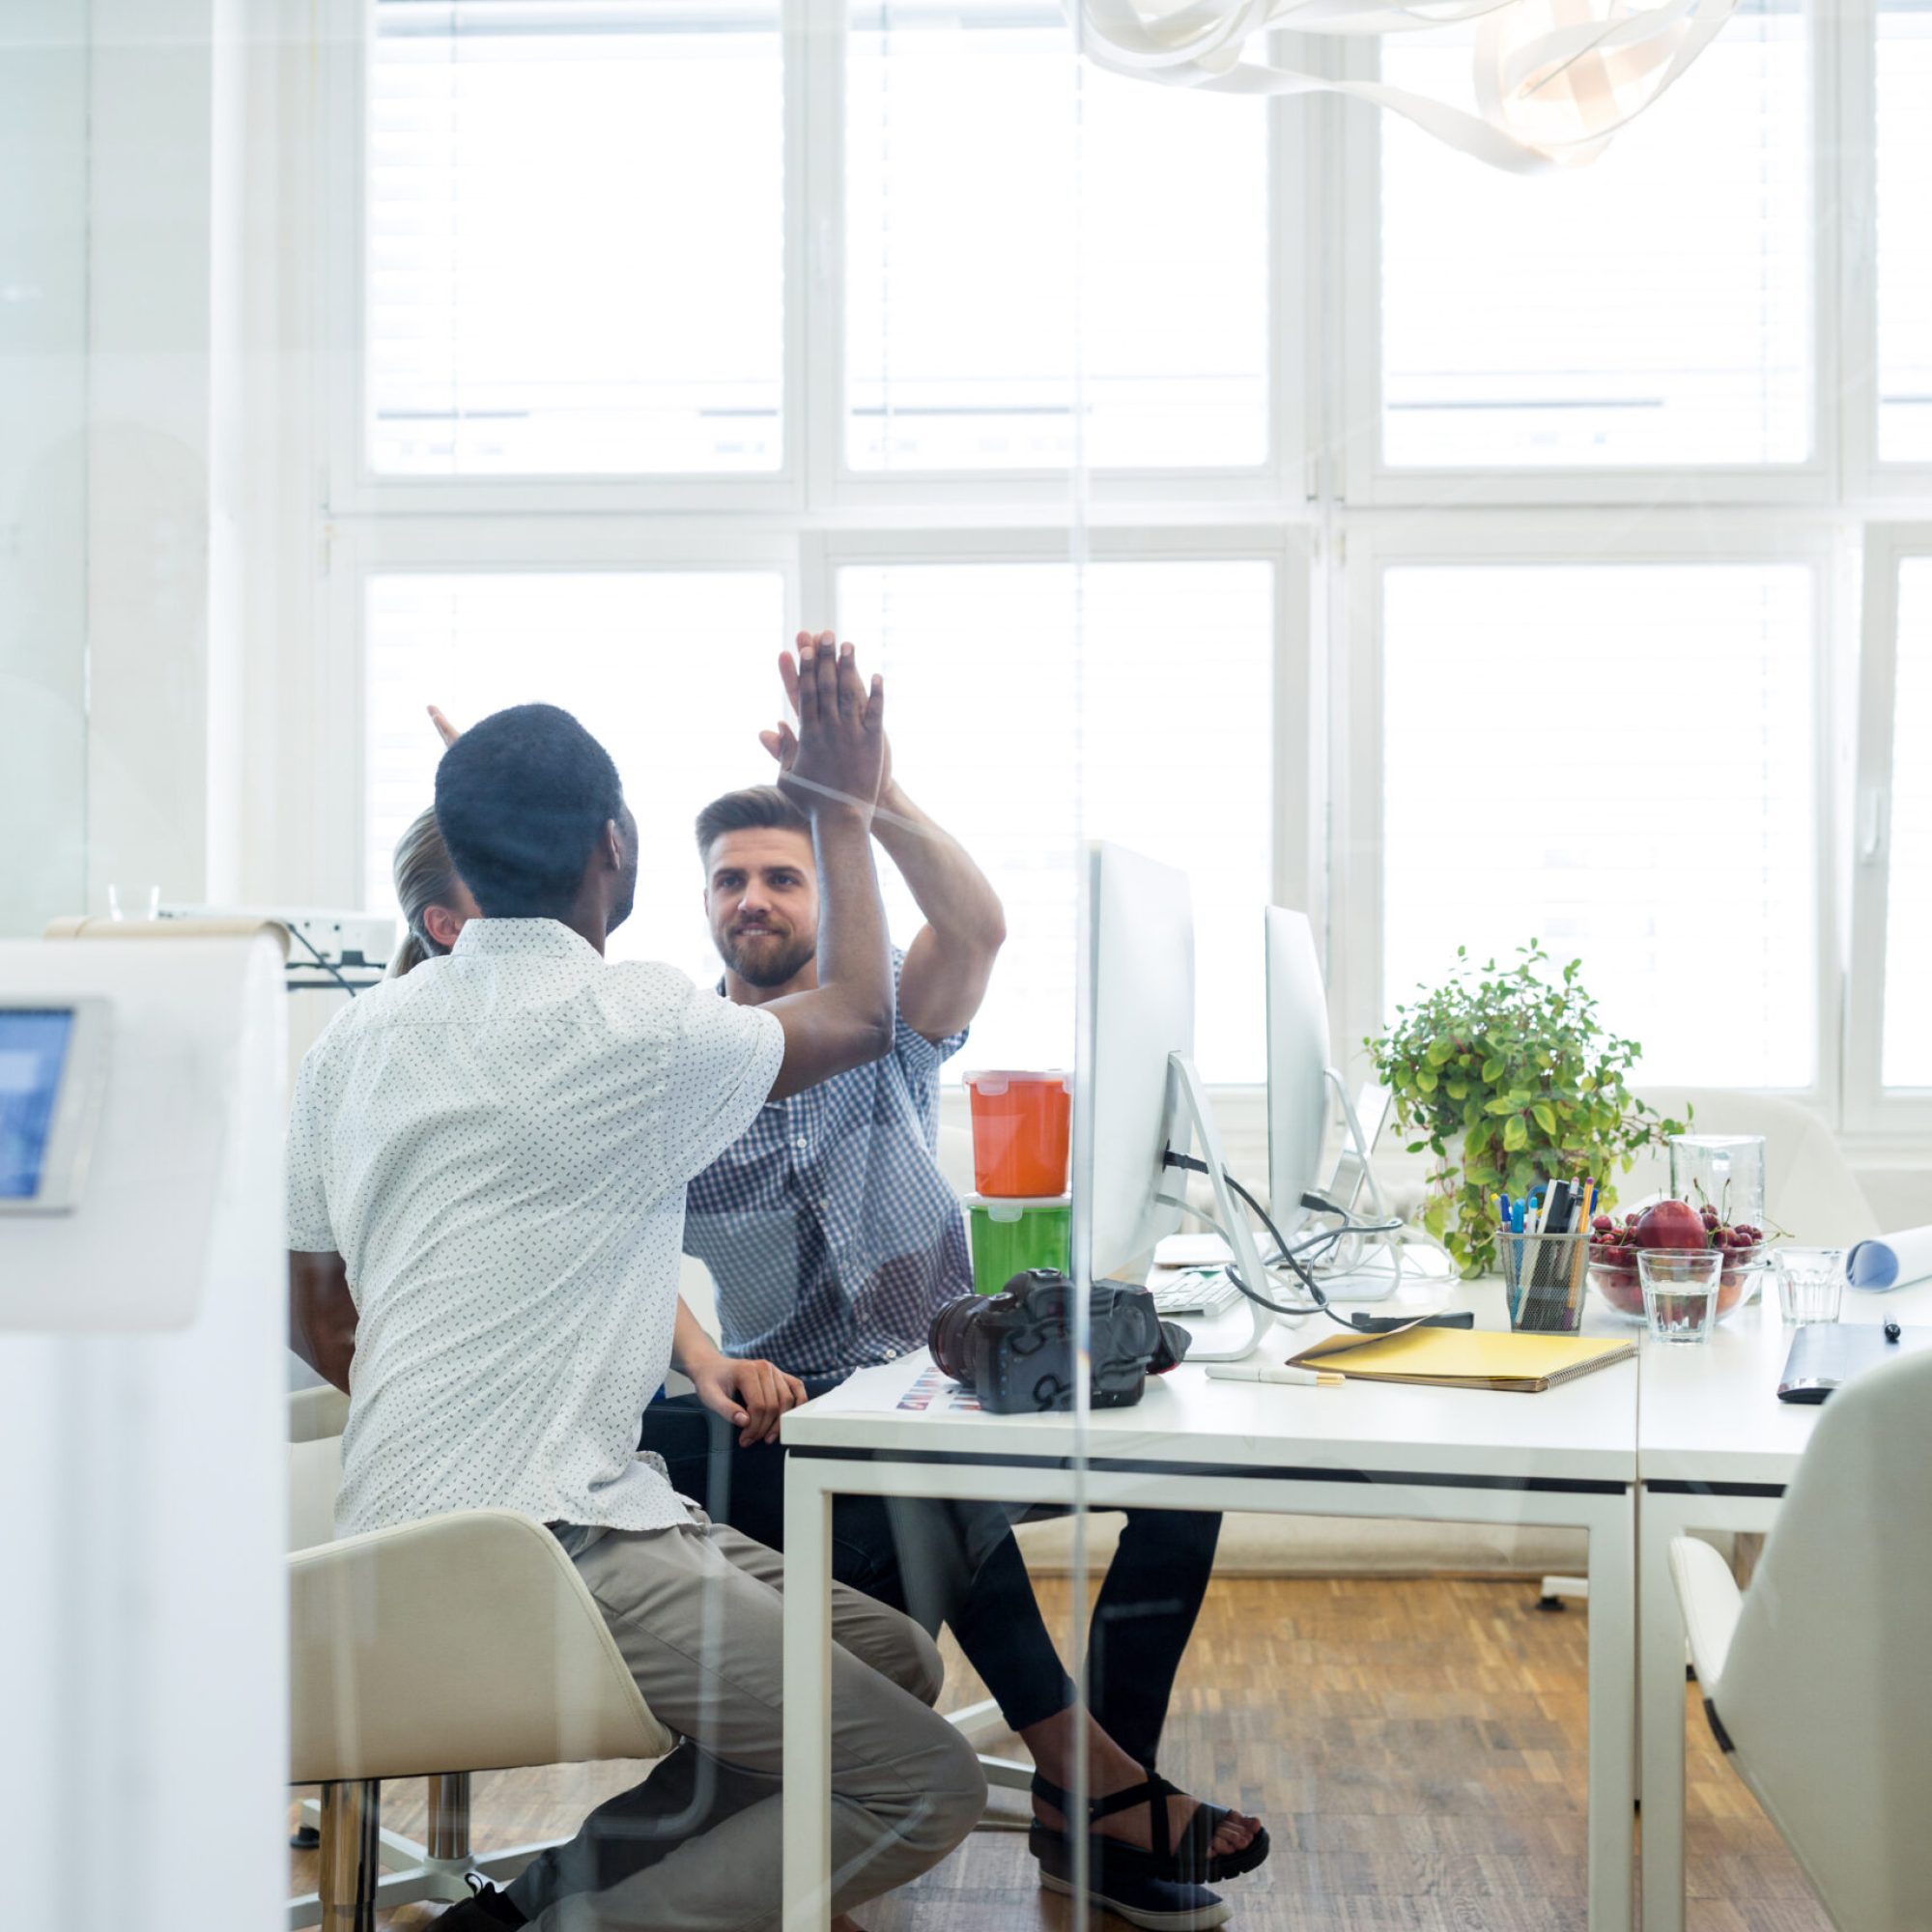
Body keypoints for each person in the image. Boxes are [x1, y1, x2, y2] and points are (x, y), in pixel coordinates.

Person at [286, 642, 985, 1932]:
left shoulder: (353, 1039)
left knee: (889, 1654)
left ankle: (526, 1904)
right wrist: (836, 805)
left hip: (389, 1540)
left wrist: (448, 1389)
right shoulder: (636, 1025)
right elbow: (858, 1014)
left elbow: (315, 1306)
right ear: (615, 847)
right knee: (921, 1785)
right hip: (541, 1548)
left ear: (459, 861)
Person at [644, 665, 1267, 1930]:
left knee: (1177, 1477)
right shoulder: (682, 1062)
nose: (754, 898)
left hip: (951, 1387)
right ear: (703, 900)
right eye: (730, 879)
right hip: (799, 1429)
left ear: (826, 886)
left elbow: (976, 926)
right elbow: (626, 1252)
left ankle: (1093, 1785)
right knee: (926, 1479)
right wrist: (708, 1356)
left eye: (783, 873)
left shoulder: (883, 1029)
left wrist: (872, 800)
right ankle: (1094, 1797)